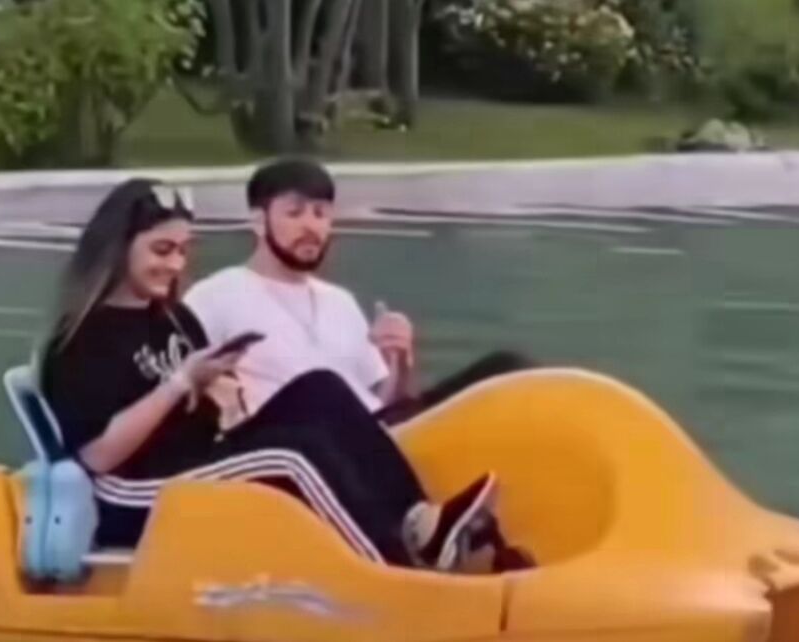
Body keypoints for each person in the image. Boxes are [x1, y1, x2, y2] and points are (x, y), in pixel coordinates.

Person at [38, 178, 516, 572]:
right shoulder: (82, 339)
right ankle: (396, 575)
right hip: (129, 493)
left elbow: (199, 412)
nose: (175, 264)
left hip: (195, 460)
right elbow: (97, 456)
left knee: (320, 390)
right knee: (291, 454)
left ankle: (422, 524)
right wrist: (179, 384)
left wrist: (215, 389)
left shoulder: (174, 319)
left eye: (182, 250)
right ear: (119, 247)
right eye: (161, 250)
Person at [183, 158, 533, 427]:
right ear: (259, 221)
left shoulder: (339, 301)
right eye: (295, 213)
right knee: (320, 387)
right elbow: (184, 388)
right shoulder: (216, 295)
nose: (311, 226)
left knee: (510, 369)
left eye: (321, 214)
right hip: (304, 444)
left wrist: (400, 361)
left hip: (379, 431)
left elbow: (387, 400)